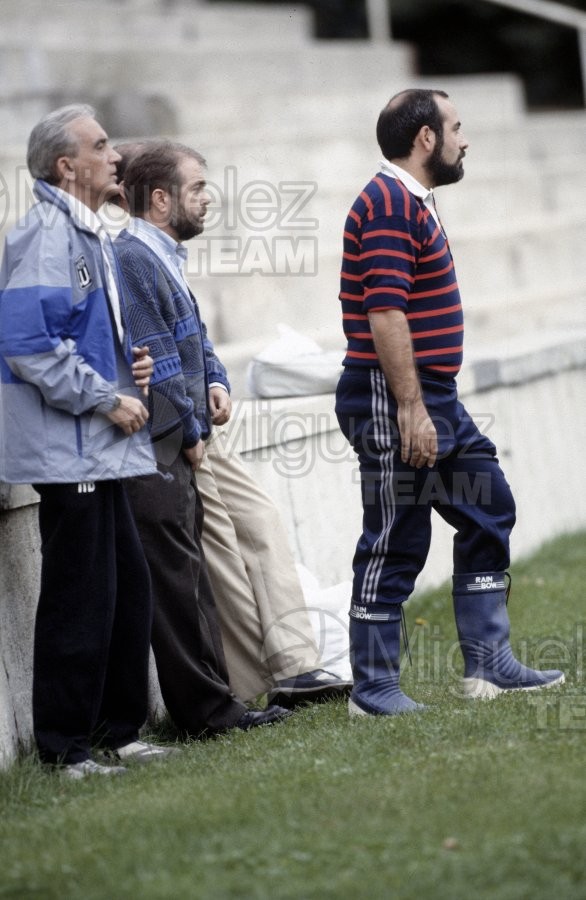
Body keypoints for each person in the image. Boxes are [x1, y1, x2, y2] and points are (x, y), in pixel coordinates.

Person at [334, 88, 565, 717]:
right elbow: (385, 313)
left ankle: (489, 666)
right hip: (394, 396)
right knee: (395, 537)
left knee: (489, 505)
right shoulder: (385, 202)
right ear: (426, 139)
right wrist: (410, 407)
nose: (467, 139)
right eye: (457, 127)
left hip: (435, 394)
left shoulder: (413, 201)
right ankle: (374, 690)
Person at [112, 140, 351, 712]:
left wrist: (217, 377)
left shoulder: (162, 252)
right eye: (197, 188)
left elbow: (193, 338)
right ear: (162, 199)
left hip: (201, 430)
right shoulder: (132, 256)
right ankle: (255, 686)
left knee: (260, 524)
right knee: (220, 553)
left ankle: (294, 667)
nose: (208, 198)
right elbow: (156, 356)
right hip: (181, 438)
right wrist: (190, 432)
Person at [0, 104, 174, 777]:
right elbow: (27, 346)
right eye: (101, 146)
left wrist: (126, 367)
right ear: (66, 166)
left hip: (94, 449)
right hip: (67, 448)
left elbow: (75, 336)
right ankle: (66, 750)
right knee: (80, 595)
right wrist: (106, 397)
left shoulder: (84, 230)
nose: (116, 156)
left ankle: (116, 730)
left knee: (124, 587)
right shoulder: (45, 232)